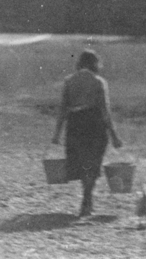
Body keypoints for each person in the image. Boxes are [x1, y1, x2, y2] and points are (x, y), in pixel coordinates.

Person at [51, 49, 123, 218]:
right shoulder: (99, 82)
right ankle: (87, 197)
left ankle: (86, 197)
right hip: (94, 123)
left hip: (75, 123)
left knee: (81, 160)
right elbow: (105, 111)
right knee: (93, 161)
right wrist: (114, 136)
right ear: (94, 64)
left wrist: (56, 134)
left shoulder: (69, 81)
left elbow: (62, 109)